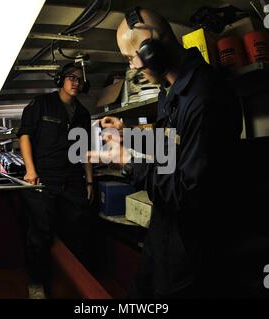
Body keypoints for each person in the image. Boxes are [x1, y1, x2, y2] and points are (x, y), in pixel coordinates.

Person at [91, 7, 243, 298]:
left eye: (131, 58)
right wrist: (128, 134)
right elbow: (172, 146)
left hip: (191, 243)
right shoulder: (170, 91)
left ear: (151, 52)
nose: (133, 67)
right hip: (164, 232)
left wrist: (129, 161)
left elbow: (189, 192)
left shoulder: (204, 98)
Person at [17, 63, 94, 286]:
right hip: (43, 179)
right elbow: (25, 136)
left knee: (77, 231)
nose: (75, 82)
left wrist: (89, 181)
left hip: (72, 180)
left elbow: (85, 149)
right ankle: (37, 284)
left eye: (79, 79)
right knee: (40, 235)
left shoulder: (83, 114)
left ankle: (70, 282)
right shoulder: (41, 104)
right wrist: (30, 170)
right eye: (71, 77)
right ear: (61, 79)